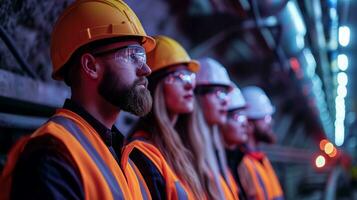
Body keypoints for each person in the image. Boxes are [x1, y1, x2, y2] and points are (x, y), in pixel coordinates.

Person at [0, 0, 156, 199]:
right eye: (133, 56)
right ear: (90, 66)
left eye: (142, 57)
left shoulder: (123, 155)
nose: (146, 69)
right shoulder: (52, 155)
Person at [121, 35, 205, 200]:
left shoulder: (182, 150)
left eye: (190, 76)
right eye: (179, 76)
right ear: (155, 86)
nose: (189, 85)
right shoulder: (141, 151)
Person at [193, 57, 239, 200]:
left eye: (226, 93)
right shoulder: (186, 154)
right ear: (195, 95)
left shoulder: (216, 152)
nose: (226, 100)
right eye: (218, 92)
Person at [238, 86, 284, 200]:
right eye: (265, 117)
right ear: (249, 123)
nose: (271, 122)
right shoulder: (242, 165)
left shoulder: (262, 160)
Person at [219, 83, 249, 200]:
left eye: (244, 116)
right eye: (238, 116)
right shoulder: (212, 166)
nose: (245, 123)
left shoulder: (238, 162)